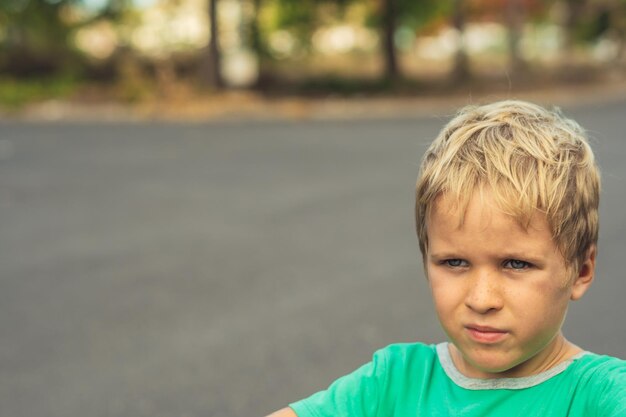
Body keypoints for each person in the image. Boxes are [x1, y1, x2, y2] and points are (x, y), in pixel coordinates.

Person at [267, 100, 626, 417]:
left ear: (581, 270)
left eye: (516, 264)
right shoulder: (394, 383)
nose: (481, 299)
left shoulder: (601, 394)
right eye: (454, 262)